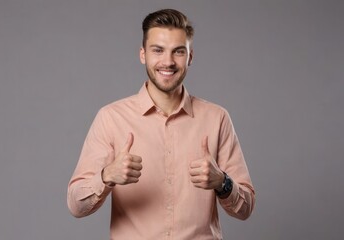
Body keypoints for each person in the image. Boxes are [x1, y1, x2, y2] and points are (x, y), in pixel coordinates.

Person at [67, 8, 255, 240]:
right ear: (143, 54)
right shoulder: (110, 118)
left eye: (178, 52)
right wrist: (106, 176)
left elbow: (245, 209)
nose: (168, 62)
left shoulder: (217, 118)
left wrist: (222, 182)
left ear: (190, 57)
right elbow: (76, 206)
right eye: (158, 50)